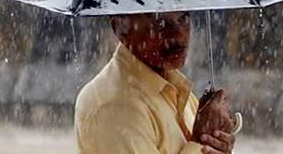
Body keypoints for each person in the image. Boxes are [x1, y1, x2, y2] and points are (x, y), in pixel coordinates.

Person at [75, 11, 238, 153]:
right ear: (121, 27)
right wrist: (201, 143)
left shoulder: (173, 86)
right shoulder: (113, 107)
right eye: (160, 22)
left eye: (183, 18)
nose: (178, 34)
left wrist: (214, 141)